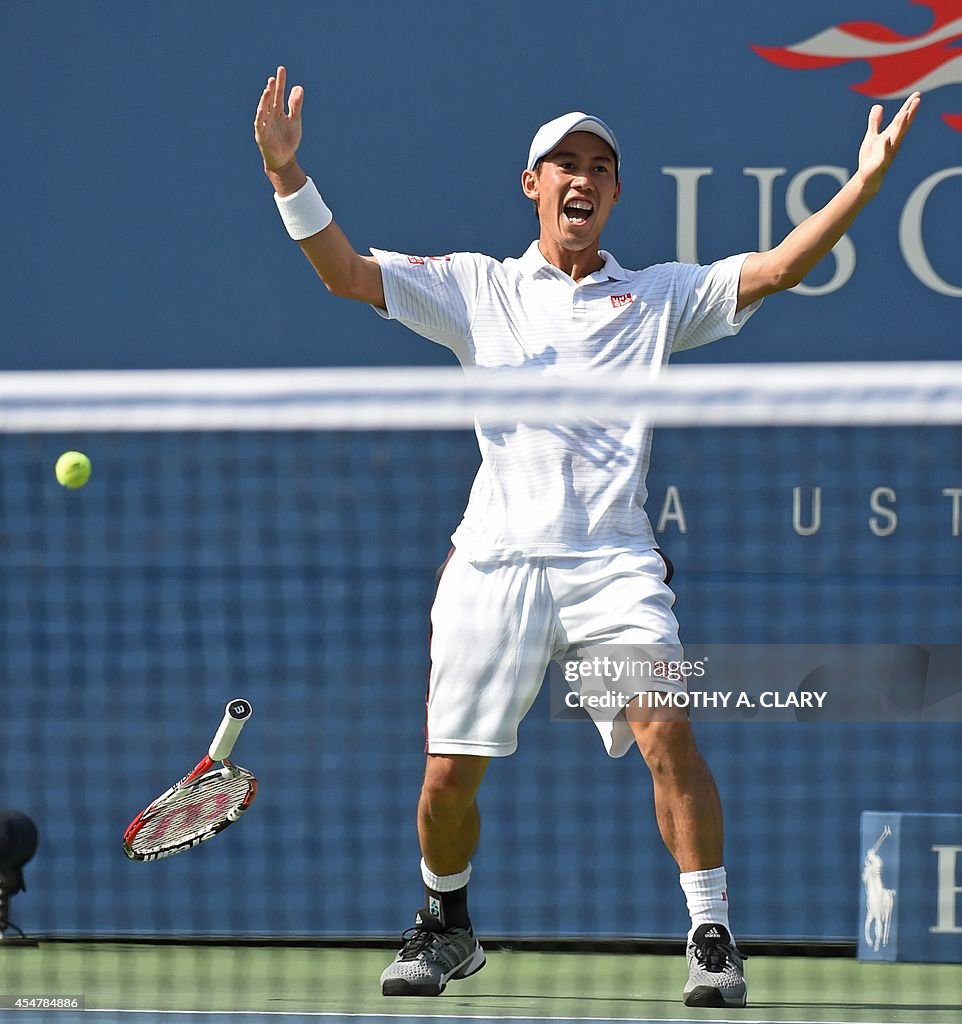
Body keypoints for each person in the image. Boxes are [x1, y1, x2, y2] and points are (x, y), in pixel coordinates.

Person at [253, 67, 920, 1008]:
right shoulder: (476, 289)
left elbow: (777, 268)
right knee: (448, 781)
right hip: (495, 566)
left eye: (600, 167)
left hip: (612, 565)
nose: (582, 177)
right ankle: (446, 921)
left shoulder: (654, 298)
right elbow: (346, 274)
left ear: (612, 195)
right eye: (565, 163)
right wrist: (288, 173)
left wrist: (863, 186)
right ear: (532, 185)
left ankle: (712, 933)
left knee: (667, 732)